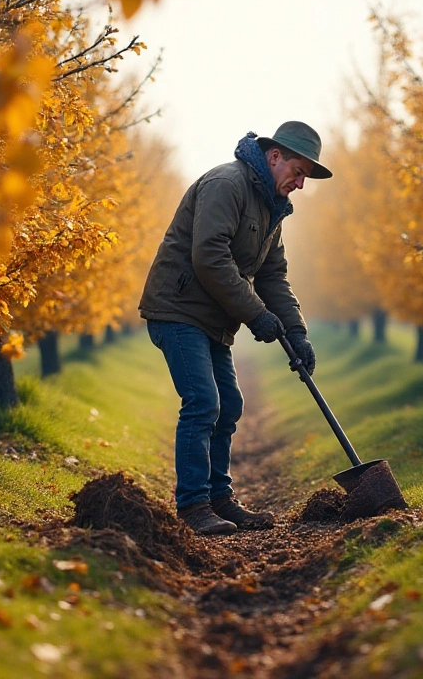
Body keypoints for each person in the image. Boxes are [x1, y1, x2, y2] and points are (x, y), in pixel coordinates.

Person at [138, 121, 332, 535]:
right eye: (298, 172)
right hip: (178, 309)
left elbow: (273, 275)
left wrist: (296, 332)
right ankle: (192, 506)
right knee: (203, 402)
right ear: (274, 156)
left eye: (304, 178)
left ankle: (219, 499)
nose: (300, 184)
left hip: (213, 318)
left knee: (230, 405)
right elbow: (209, 256)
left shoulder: (270, 207)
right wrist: (255, 314)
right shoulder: (227, 184)